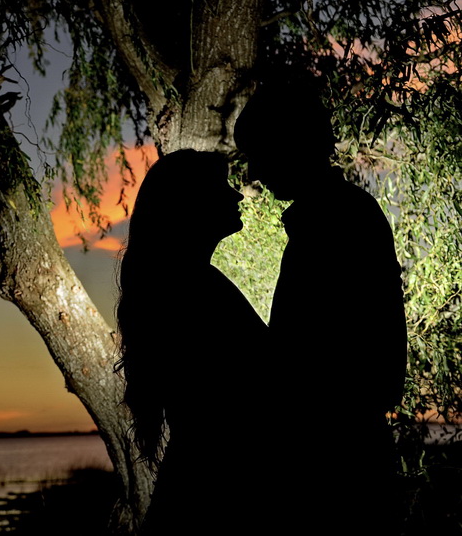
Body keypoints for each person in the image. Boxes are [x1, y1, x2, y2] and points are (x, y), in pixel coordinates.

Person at [234, 87, 406, 534]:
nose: (252, 173)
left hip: (335, 470)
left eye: (257, 154)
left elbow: (320, 358)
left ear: (289, 145)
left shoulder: (337, 226)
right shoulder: (337, 219)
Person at [116, 149, 273, 534]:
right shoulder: (192, 288)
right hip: (214, 493)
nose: (236, 196)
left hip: (198, 483)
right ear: (189, 205)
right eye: (221, 187)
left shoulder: (183, 283)